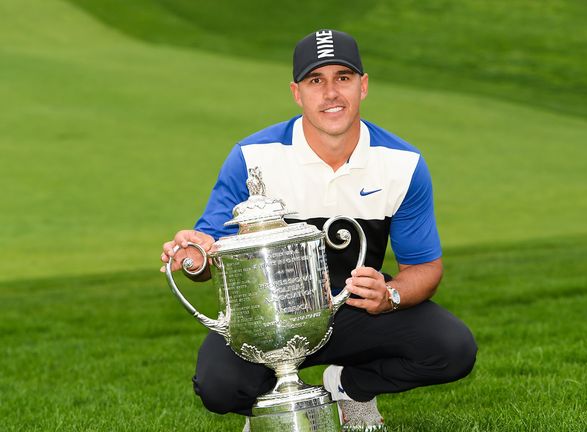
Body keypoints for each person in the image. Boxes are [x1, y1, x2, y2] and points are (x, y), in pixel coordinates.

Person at [160, 29, 477, 431]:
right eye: (316, 81)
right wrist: (192, 255)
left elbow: (425, 268)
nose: (331, 93)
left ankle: (348, 386)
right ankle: (278, 404)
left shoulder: (402, 164)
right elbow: (207, 253)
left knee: (452, 349)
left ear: (363, 86)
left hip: (355, 310)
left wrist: (390, 295)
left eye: (342, 78)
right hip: (269, 317)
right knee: (220, 387)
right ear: (297, 93)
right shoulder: (253, 157)